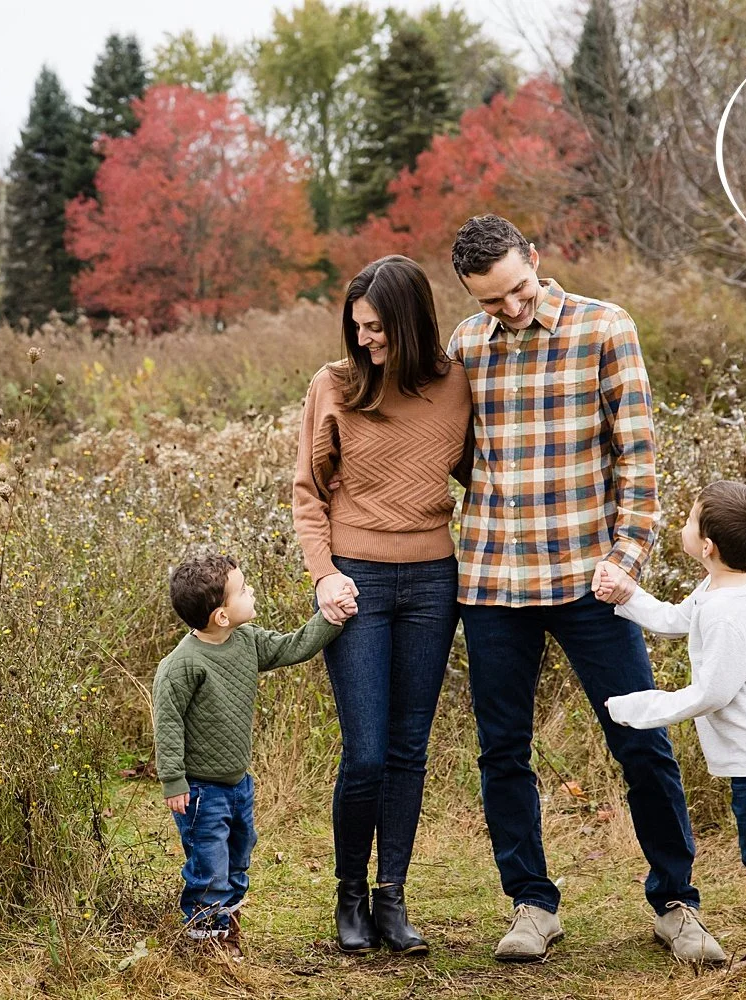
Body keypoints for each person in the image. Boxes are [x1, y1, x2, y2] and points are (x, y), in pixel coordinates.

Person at [445, 215, 725, 964]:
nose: (510, 308)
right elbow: (456, 454)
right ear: (470, 295)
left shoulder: (606, 327)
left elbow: (638, 458)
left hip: (588, 580)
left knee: (641, 739)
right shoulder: (466, 345)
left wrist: (626, 557)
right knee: (503, 750)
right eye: (491, 300)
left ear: (535, 260)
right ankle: (532, 904)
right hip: (493, 581)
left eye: (518, 290)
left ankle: (676, 904)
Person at [293, 255, 474, 955]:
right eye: (357, 326)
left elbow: (479, 475)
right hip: (357, 582)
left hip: (434, 582)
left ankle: (391, 897)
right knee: (366, 753)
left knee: (408, 751)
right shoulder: (333, 386)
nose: (365, 340)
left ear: (410, 323)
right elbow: (308, 492)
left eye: (377, 328)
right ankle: (348, 894)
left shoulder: (456, 384)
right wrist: (323, 575)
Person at [599, 481, 746, 969]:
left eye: (691, 520)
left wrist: (641, 709)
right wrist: (628, 594)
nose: (684, 526)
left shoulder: (726, 613)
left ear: (708, 545)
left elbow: (711, 694)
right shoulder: (724, 585)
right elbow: (677, 619)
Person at [152, 552, 350, 958]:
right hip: (200, 790)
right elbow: (168, 723)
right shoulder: (182, 665)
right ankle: (207, 943)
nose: (252, 591)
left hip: (238, 783)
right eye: (243, 590)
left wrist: (331, 618)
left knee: (239, 856)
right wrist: (173, 780)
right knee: (209, 866)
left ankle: (229, 928)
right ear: (221, 616)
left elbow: (294, 646)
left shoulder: (247, 641)